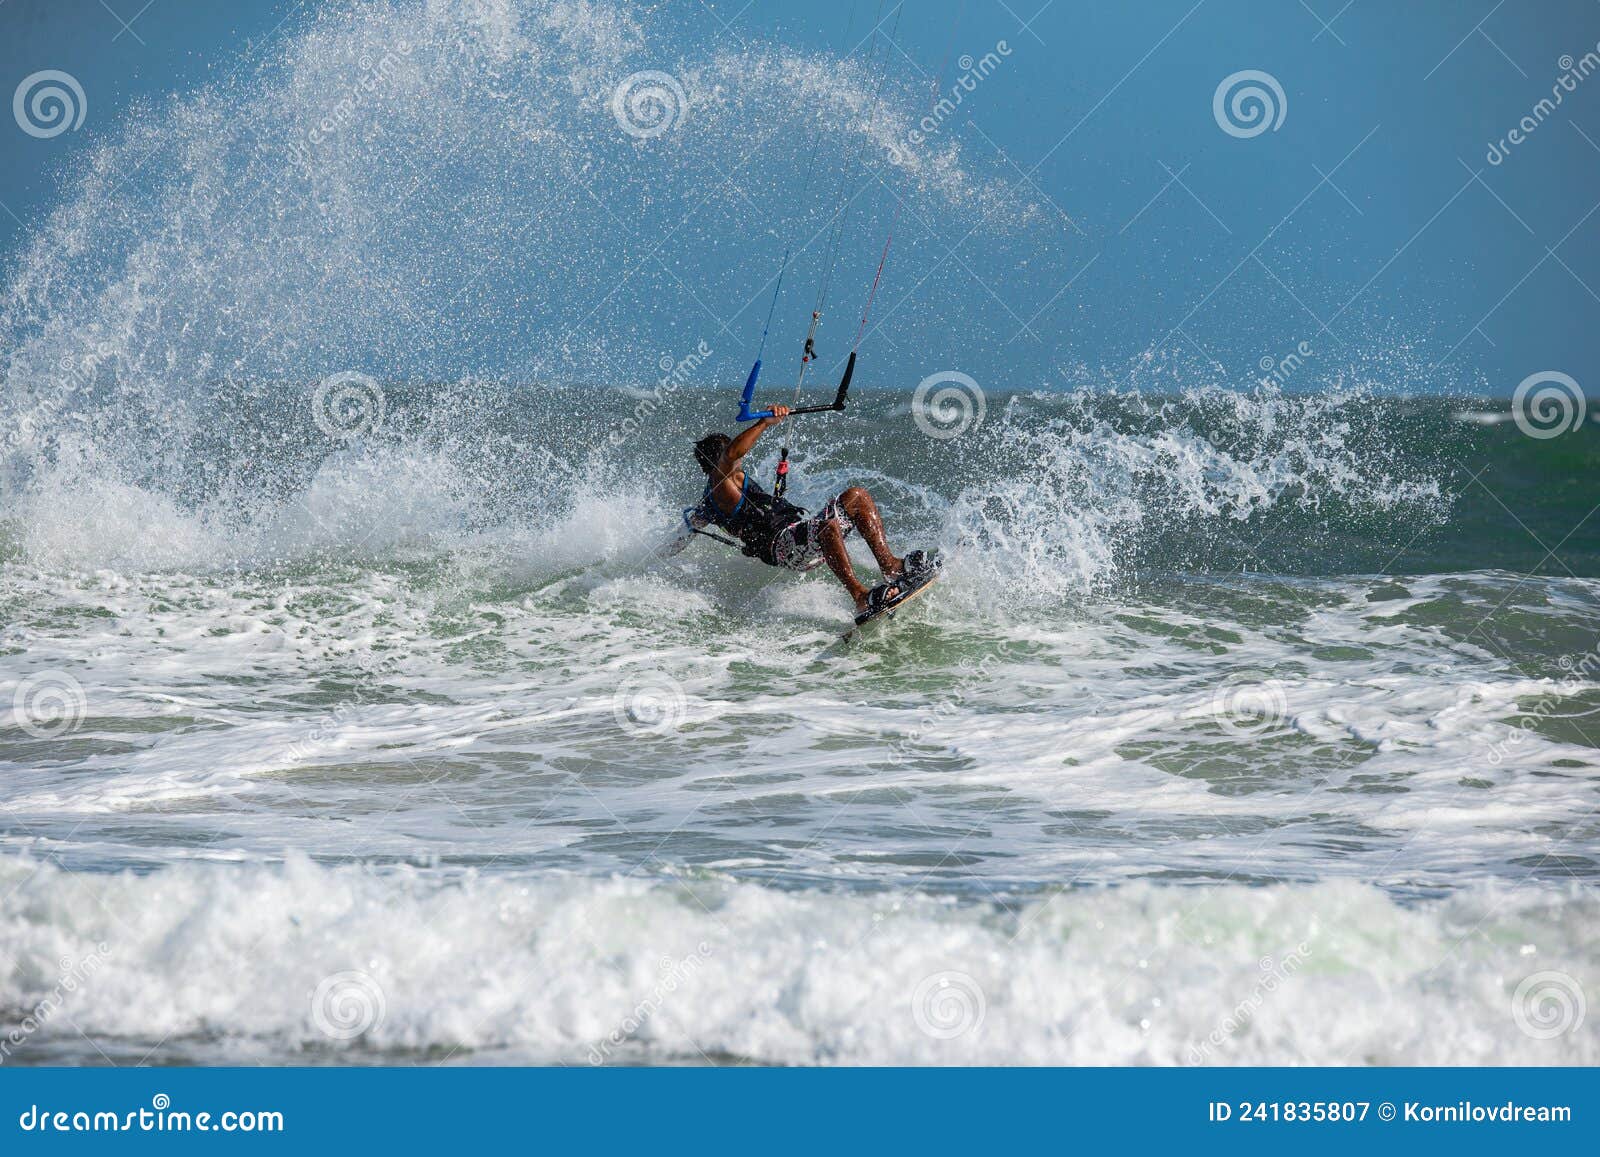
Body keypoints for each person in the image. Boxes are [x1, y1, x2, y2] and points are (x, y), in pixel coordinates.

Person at [684, 405, 931, 617]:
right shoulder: (720, 485)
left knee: (857, 497)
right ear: (718, 463)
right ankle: (861, 597)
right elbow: (731, 455)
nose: (740, 463)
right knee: (827, 526)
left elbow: (687, 529)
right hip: (782, 548)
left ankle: (891, 566)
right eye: (735, 459)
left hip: (796, 535)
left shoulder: (711, 502)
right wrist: (764, 423)